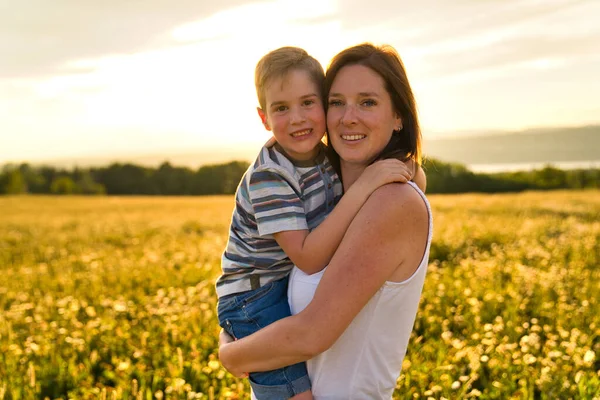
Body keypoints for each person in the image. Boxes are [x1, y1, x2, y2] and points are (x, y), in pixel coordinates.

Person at [219, 43, 432, 399]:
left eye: (367, 102)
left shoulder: (392, 200)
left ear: (399, 117)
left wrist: (229, 353)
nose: (348, 117)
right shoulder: (322, 185)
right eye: (336, 102)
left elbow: (312, 334)